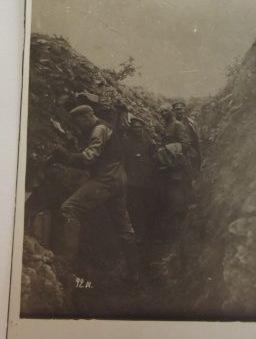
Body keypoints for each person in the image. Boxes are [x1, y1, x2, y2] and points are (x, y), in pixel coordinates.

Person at [52, 105, 139, 280]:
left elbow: (90, 157)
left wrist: (66, 157)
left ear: (87, 117)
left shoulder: (99, 129)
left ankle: (66, 265)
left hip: (106, 179)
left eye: (79, 122)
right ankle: (134, 274)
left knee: (69, 208)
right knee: (124, 228)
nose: (79, 127)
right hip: (119, 179)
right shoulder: (105, 126)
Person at [154, 104, 191, 243]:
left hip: (177, 168)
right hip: (168, 168)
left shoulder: (177, 125)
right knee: (168, 199)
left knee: (177, 199)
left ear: (171, 112)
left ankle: (177, 236)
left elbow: (186, 144)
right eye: (161, 111)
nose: (164, 113)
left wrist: (168, 152)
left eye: (166, 111)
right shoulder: (167, 126)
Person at [122, 117, 156, 246]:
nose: (138, 130)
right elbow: (124, 161)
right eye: (135, 127)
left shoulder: (149, 142)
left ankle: (147, 235)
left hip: (146, 181)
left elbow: (154, 160)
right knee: (133, 208)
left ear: (143, 128)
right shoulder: (127, 142)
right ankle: (136, 234)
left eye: (140, 127)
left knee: (147, 207)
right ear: (132, 129)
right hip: (132, 182)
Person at [172, 100, 202, 176]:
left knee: (192, 169)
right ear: (174, 111)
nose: (179, 111)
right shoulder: (171, 124)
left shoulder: (190, 122)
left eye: (181, 109)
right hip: (176, 151)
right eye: (177, 109)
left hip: (189, 149)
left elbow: (196, 137)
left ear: (184, 109)